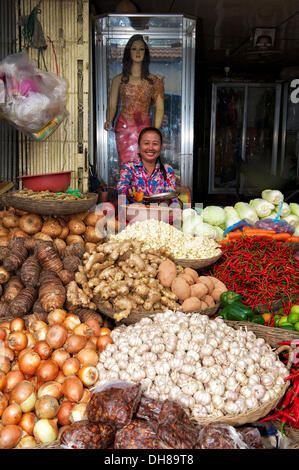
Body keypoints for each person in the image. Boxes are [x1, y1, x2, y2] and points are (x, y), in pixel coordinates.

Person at [104, 34, 164, 166]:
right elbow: (112, 105)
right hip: (124, 127)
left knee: (145, 165)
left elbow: (159, 108)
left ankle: (143, 187)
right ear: (128, 52)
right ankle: (126, 187)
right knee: (126, 165)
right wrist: (108, 120)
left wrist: (156, 131)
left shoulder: (154, 81)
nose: (138, 52)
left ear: (146, 53)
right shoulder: (118, 80)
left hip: (145, 129)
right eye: (134, 48)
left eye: (141, 49)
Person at [117, 127, 178, 204]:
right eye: (146, 143)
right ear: (139, 146)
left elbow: (173, 199)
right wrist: (128, 191)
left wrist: (167, 202)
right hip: (135, 215)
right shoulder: (129, 168)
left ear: (161, 147)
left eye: (155, 144)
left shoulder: (167, 170)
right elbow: (121, 189)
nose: (150, 148)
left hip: (161, 215)